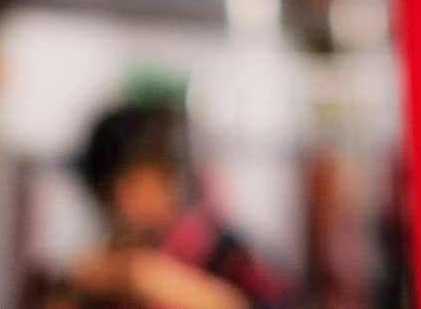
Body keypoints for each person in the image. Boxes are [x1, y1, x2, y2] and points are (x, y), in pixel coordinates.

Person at [35, 103, 284, 309]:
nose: (124, 203)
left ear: (166, 179)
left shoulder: (218, 248)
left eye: (136, 185)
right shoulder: (91, 268)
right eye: (111, 190)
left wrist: (148, 279)